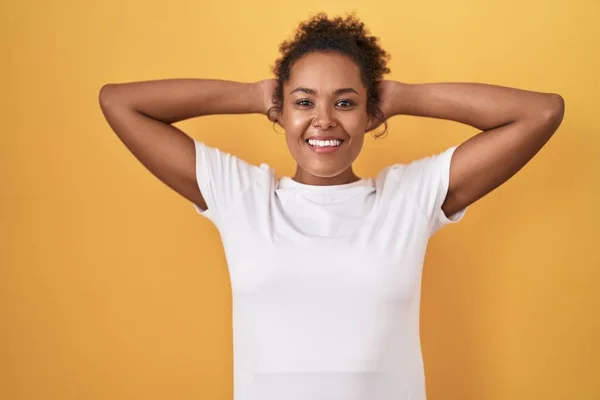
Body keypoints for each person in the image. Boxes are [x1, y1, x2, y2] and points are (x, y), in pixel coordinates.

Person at [98, 12, 564, 400]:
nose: (323, 119)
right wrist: (257, 96)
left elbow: (541, 113)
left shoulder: (408, 198)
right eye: (304, 102)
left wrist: (402, 96)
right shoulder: (241, 195)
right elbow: (119, 102)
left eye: (345, 102)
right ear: (282, 111)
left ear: (370, 114)